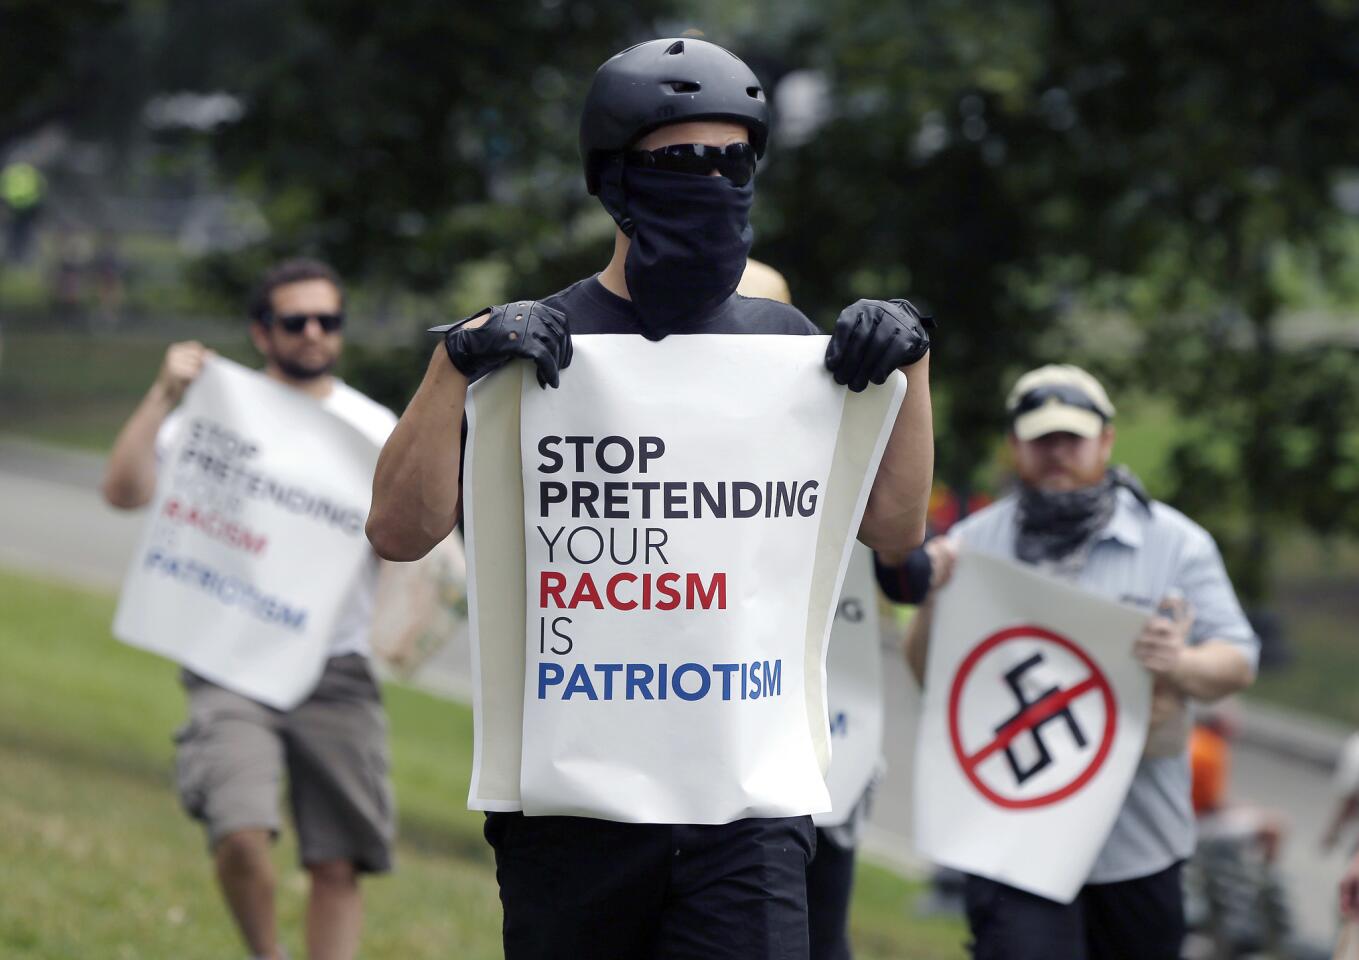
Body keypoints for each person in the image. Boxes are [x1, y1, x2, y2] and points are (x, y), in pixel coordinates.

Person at [367, 37, 935, 960]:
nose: (711, 181)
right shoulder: (529, 347)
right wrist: (452, 363)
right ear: (615, 177)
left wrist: (910, 369)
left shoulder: (786, 350)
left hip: (744, 809)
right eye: (680, 161)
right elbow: (399, 530)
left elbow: (893, 527)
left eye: (732, 160)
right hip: (573, 808)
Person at [903, 363, 1258, 960]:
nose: (1057, 454)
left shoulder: (1175, 543)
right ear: (1016, 446)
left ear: (1107, 441)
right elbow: (930, 676)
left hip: (1136, 841)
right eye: (1042, 440)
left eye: (1072, 438)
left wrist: (1180, 662)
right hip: (1011, 837)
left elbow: (1238, 660)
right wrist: (935, 596)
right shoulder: (973, 545)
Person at [102, 258, 398, 960]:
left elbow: (405, 543)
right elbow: (123, 490)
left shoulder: (373, 429)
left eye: (329, 321)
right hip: (230, 659)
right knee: (239, 833)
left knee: (337, 860)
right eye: (296, 321)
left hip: (335, 664)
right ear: (261, 333)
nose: (315, 334)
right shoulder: (217, 411)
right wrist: (163, 394)